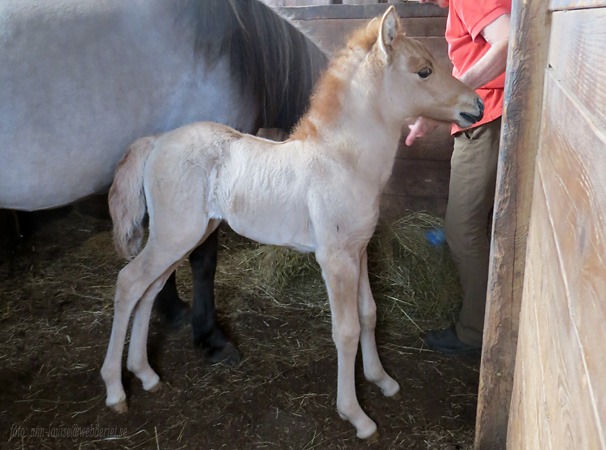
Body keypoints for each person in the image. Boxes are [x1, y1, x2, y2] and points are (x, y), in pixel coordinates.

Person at [406, 0, 511, 354]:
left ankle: (476, 333)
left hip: (487, 118)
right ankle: (482, 316)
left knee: (462, 228)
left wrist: (454, 97)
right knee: (468, 228)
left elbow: (509, 42)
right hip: (480, 118)